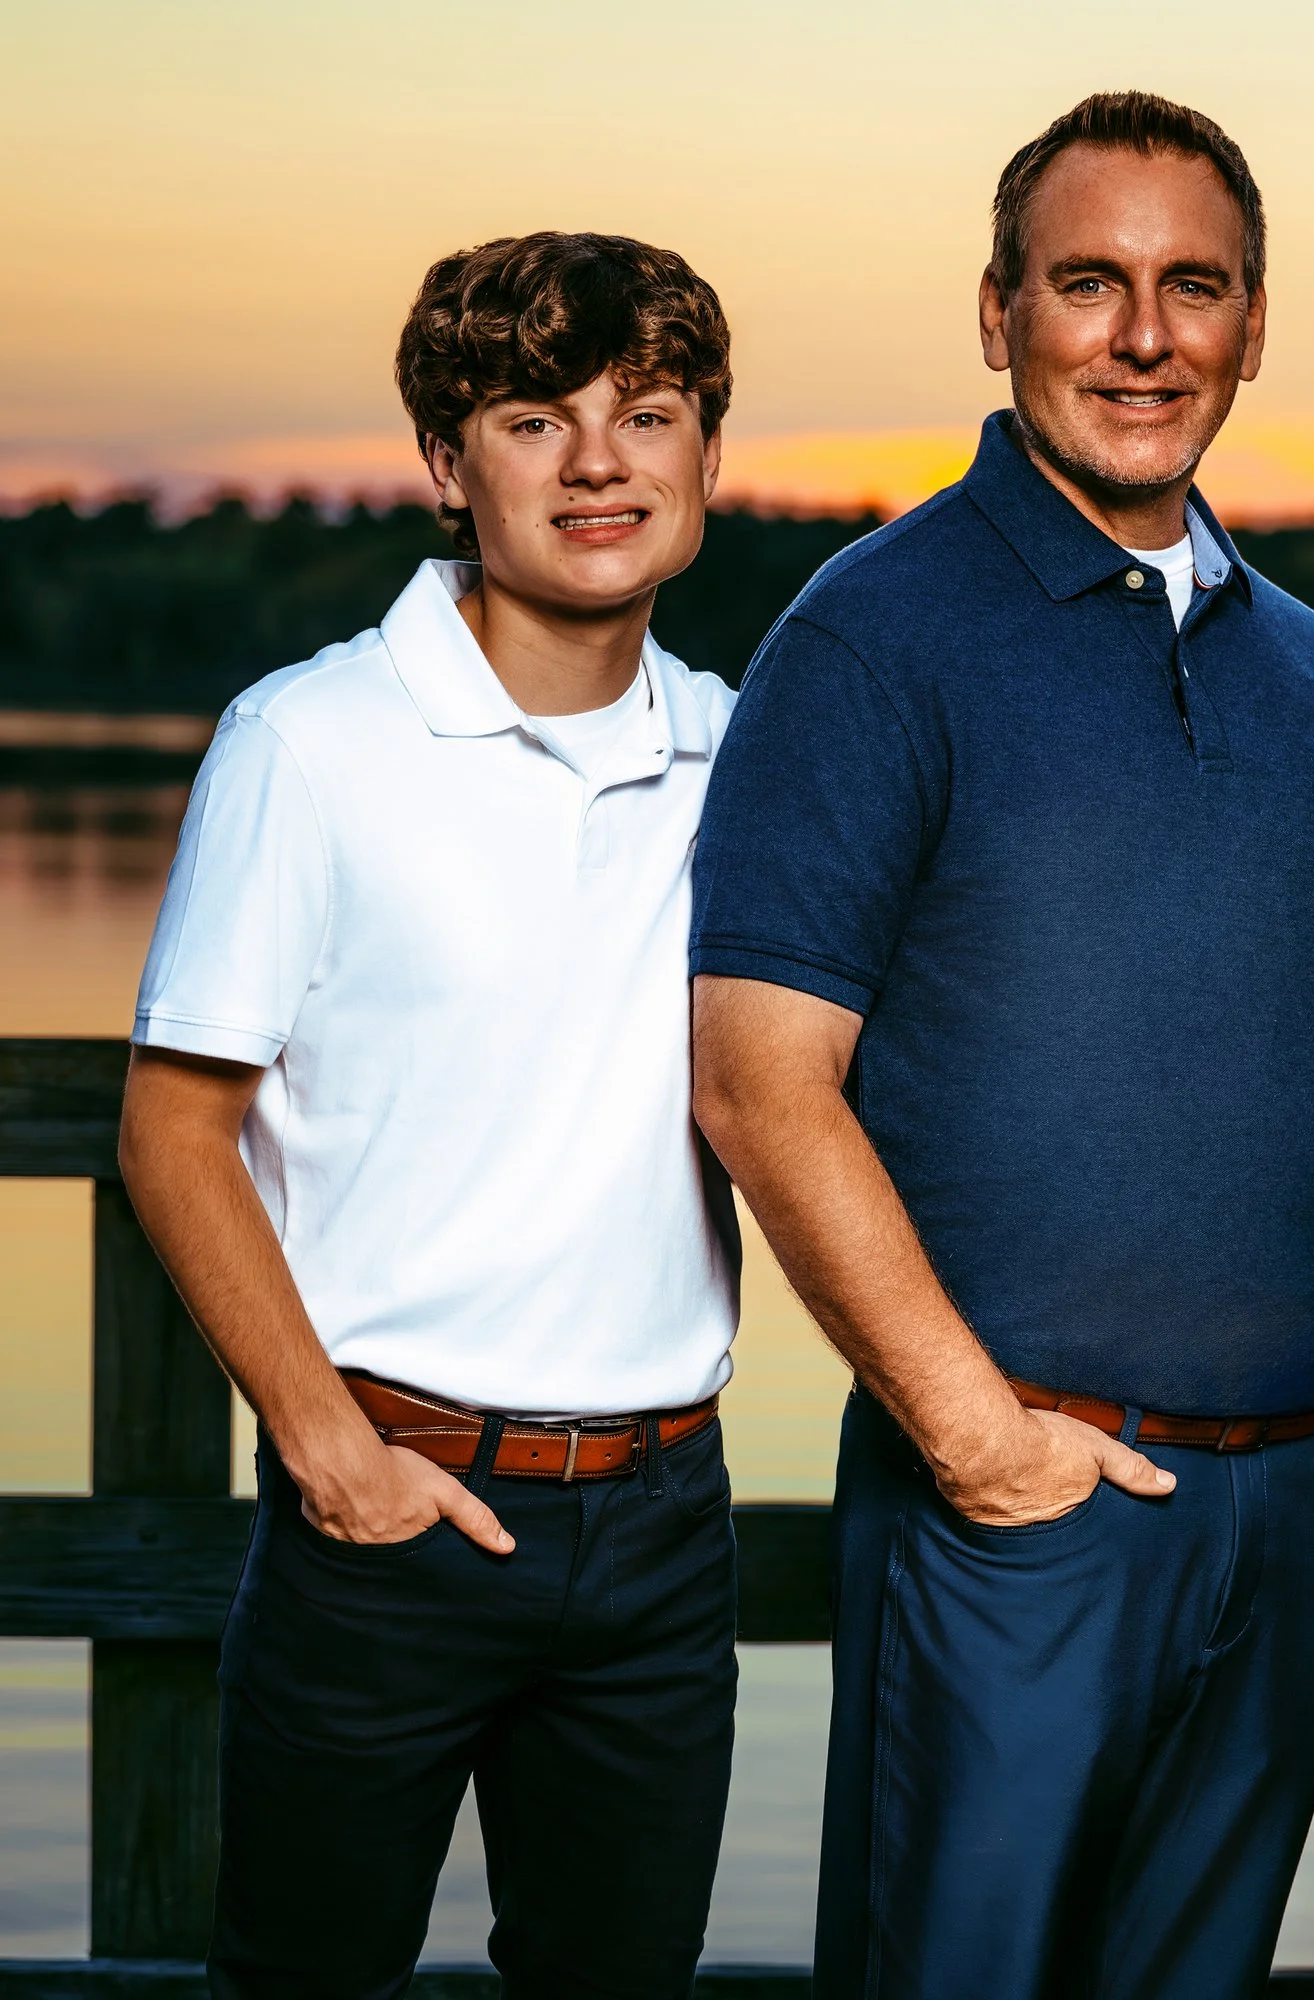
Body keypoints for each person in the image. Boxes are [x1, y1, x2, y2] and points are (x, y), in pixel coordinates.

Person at [688, 93, 1314, 2000]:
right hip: (1018, 1517)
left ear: (1252, 325)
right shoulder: (876, 637)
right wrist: (981, 1447)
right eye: (1090, 284)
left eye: (1193, 289)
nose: (1144, 336)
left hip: (1286, 1505)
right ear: (998, 314)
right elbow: (754, 1079)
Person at [117, 233, 744, 1997]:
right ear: (447, 462)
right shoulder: (309, 741)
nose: (602, 461)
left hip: (661, 1520)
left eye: (649, 413)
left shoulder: (743, 753)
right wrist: (326, 1451)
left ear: (707, 451)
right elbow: (175, 1132)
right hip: (387, 1508)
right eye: (537, 420)